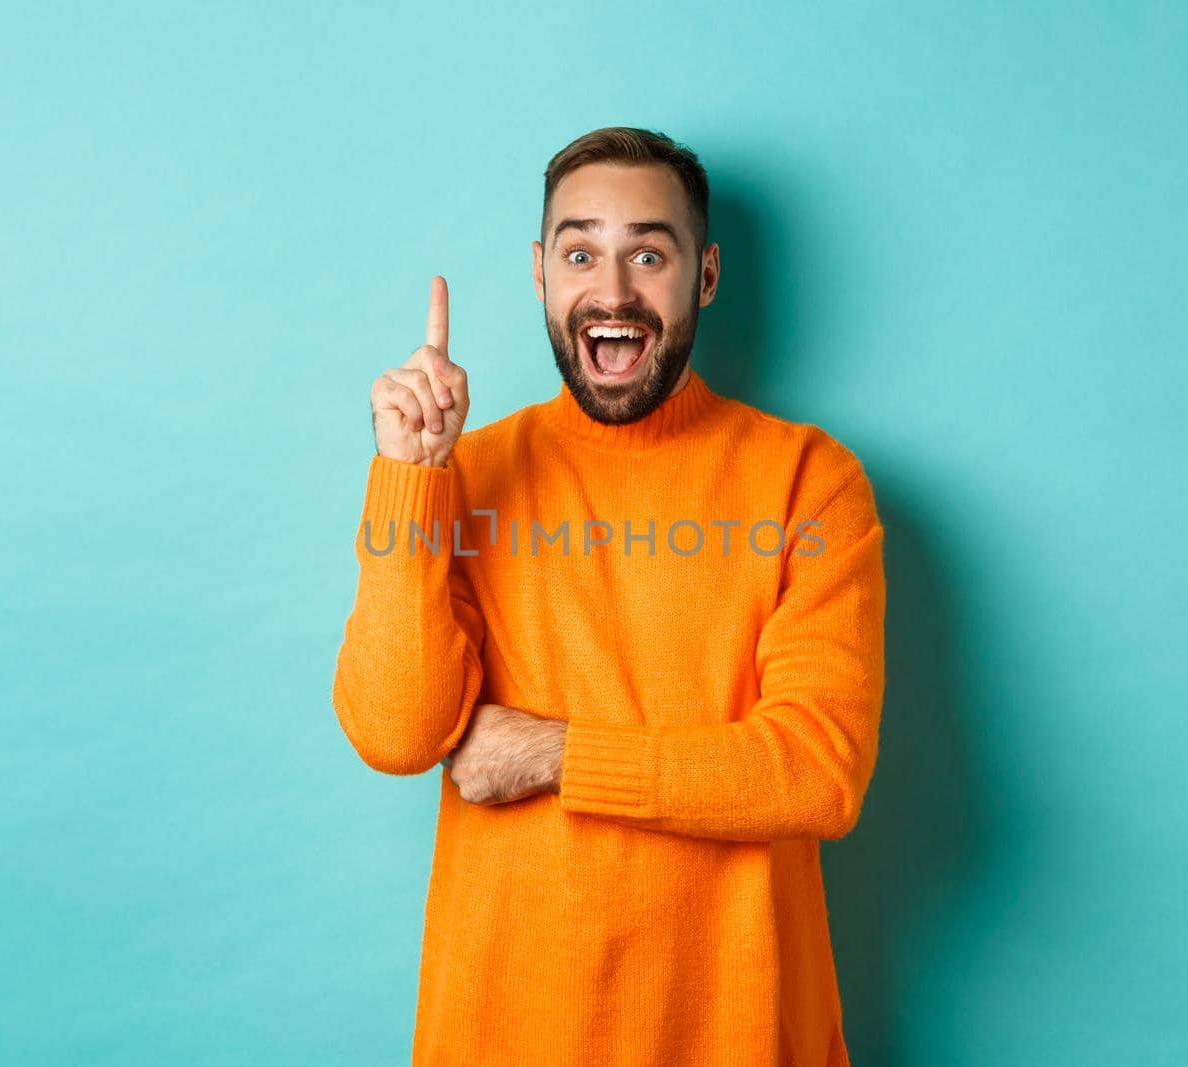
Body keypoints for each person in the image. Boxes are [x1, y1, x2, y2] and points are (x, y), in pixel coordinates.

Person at [332, 126, 886, 1067]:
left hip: (736, 1032)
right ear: (541, 273)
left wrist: (557, 755)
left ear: (704, 276)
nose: (614, 290)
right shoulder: (463, 478)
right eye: (581, 251)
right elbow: (396, 733)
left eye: (650, 254)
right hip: (504, 1032)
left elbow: (815, 770)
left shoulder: (808, 482)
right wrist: (408, 477)